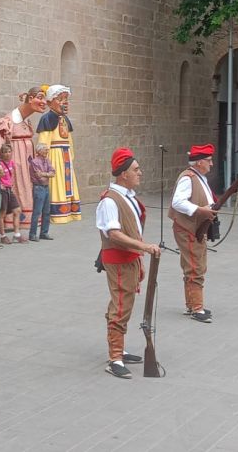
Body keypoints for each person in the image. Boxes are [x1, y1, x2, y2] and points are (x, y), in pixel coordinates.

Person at [96, 148, 160, 380]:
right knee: (121, 305)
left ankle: (119, 348)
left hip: (129, 258)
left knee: (123, 302)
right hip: (119, 259)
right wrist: (143, 247)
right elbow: (113, 234)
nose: (140, 173)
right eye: (135, 169)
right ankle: (115, 358)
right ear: (123, 174)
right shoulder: (110, 201)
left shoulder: (125, 196)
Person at [169, 143, 219, 323]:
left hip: (195, 227)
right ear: (199, 162)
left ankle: (193, 304)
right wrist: (200, 210)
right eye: (208, 160)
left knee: (196, 264)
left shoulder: (198, 177)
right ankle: (196, 308)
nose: (211, 164)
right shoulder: (188, 178)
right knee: (194, 266)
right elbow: (177, 202)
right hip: (188, 227)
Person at [0, 85, 47, 241]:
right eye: (40, 97)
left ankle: (23, 228)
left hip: (27, 164)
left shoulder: (26, 120)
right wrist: (0, 168)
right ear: (30, 99)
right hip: (15, 166)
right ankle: (12, 227)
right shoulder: (9, 121)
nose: (44, 101)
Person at [36, 84, 81, 224]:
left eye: (65, 99)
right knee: (57, 183)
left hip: (66, 155)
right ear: (50, 102)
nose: (64, 103)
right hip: (54, 155)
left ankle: (69, 212)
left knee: (68, 183)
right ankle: (57, 215)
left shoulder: (65, 119)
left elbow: (69, 139)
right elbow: (43, 142)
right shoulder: (47, 119)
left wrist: (71, 155)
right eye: (60, 99)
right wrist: (45, 160)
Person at [27, 143, 55, 241]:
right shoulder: (34, 162)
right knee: (37, 212)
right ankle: (32, 234)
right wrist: (47, 174)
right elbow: (40, 177)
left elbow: (53, 173)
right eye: (45, 150)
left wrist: (44, 174)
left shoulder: (47, 160)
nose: (47, 151)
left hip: (46, 187)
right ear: (39, 151)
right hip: (38, 188)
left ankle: (44, 233)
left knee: (47, 211)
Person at [0, 143, 20, 244]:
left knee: (17, 210)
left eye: (9, 151)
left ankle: (16, 234)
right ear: (1, 153)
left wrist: (12, 186)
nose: (7, 154)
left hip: (9, 189)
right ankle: (3, 235)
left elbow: (12, 176)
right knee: (2, 213)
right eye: (5, 152)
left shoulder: (12, 163)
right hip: (3, 190)